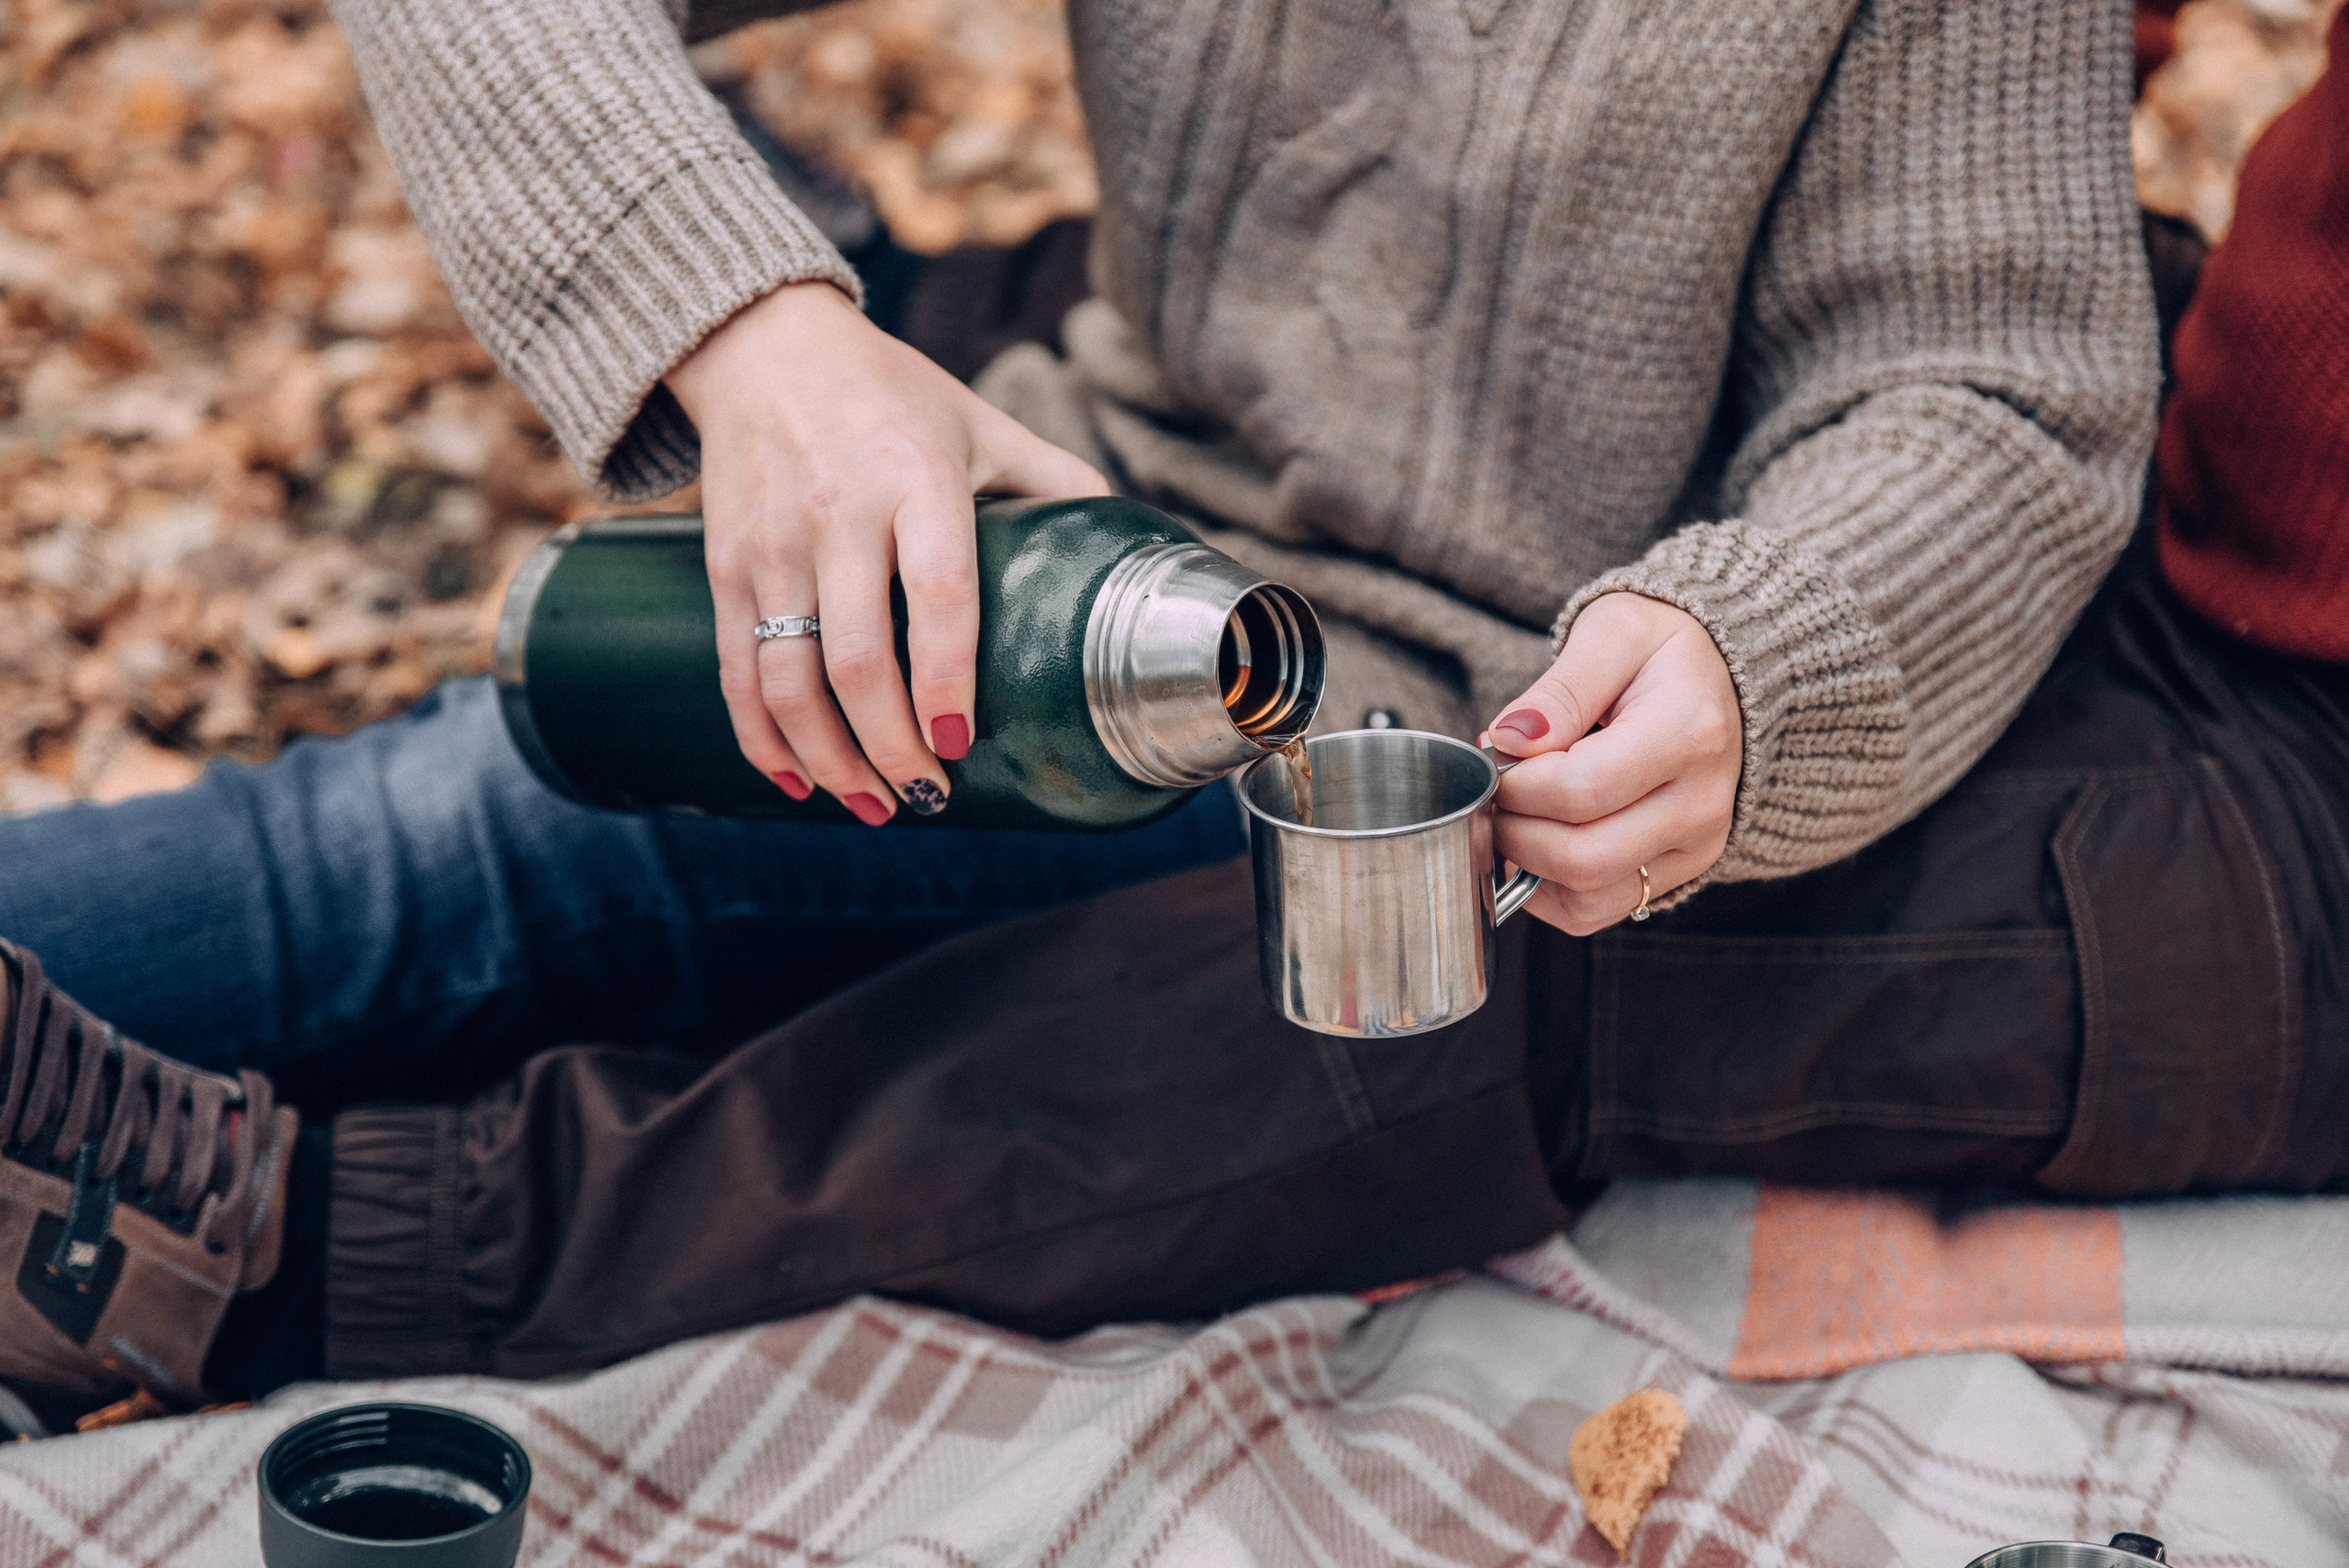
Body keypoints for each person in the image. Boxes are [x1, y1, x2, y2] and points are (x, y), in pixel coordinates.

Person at [0, 0, 2341, 1432]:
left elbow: (1988, 379)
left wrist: (1770, 652)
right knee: (428, 857)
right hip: (1073, 555)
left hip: (1511, 757)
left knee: (544, 909)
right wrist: (755, 332)